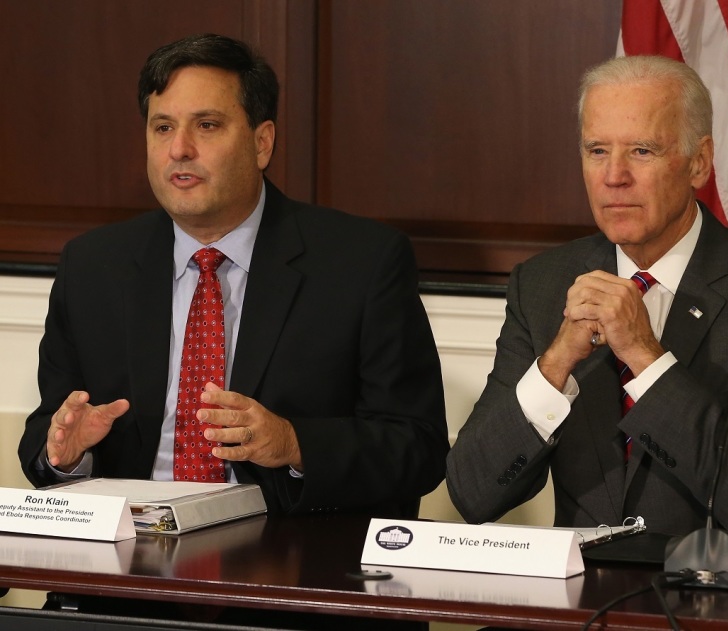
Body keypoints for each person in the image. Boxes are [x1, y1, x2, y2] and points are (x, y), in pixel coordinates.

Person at [18, 33, 448, 520]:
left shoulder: (361, 263)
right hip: (129, 567)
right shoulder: (93, 266)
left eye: (206, 125)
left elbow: (418, 447)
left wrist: (294, 443)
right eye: (162, 127)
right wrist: (68, 457)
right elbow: (46, 435)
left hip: (285, 569)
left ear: (262, 142)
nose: (179, 149)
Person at [446, 55, 728, 543]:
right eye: (596, 150)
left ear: (699, 161)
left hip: (721, 600)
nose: (614, 176)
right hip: (583, 598)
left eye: (642, 151)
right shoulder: (543, 285)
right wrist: (556, 362)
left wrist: (644, 356)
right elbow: (472, 493)